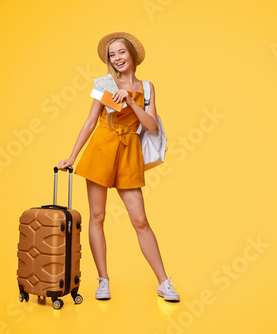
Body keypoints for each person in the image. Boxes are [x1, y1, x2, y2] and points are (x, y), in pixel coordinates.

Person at [56, 31, 180, 302]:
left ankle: (163, 282)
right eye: (112, 55)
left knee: (140, 221)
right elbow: (90, 122)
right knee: (97, 217)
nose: (117, 58)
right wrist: (72, 157)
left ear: (132, 55)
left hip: (128, 152)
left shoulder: (147, 87)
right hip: (102, 147)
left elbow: (151, 125)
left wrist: (132, 101)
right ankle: (103, 280)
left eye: (121, 52)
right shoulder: (104, 83)